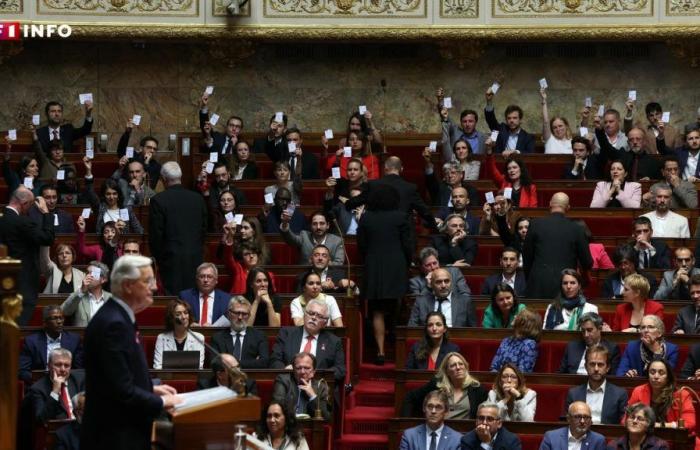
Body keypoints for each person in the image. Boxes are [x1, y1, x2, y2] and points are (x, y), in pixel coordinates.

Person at [81, 255, 182, 450]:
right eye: (147, 281)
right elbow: (121, 392)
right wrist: (161, 401)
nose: (154, 287)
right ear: (128, 285)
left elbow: (115, 379)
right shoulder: (113, 324)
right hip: (114, 438)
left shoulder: (119, 317)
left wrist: (148, 388)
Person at [358, 183, 413, 364]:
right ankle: (394, 334)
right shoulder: (401, 217)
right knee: (396, 301)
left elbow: (362, 246)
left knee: (377, 310)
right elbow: (408, 245)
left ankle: (380, 352)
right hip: (396, 264)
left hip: (374, 265)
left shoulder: (366, 218)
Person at [345, 156, 438, 251]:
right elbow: (425, 211)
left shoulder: (373, 185)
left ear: (385, 168)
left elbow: (352, 202)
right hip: (402, 238)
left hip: (377, 237)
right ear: (401, 169)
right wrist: (435, 226)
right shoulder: (410, 188)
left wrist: (347, 204)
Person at [149, 161, 208, 295]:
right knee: (194, 299)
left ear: (163, 179)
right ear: (180, 177)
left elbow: (156, 235)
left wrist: (159, 258)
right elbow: (204, 229)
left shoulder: (158, 200)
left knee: (174, 302)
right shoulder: (198, 199)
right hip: (195, 258)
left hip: (170, 261)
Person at [0, 186, 55, 325]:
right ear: (24, 204)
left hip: (3, 282)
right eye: (30, 205)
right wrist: (46, 212)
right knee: (16, 329)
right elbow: (47, 238)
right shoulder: (23, 223)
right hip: (22, 286)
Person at [523, 193, 592, 299]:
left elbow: (526, 256)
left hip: (538, 284)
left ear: (550, 204)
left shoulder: (535, 224)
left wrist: (532, 278)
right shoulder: (577, 229)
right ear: (568, 207)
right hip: (565, 286)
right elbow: (587, 262)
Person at [270, 299, 346, 383]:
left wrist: (315, 375)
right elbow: (274, 360)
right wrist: (285, 371)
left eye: (319, 316)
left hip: (318, 387)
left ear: (325, 323)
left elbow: (340, 369)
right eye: (311, 313)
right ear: (304, 315)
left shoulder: (334, 341)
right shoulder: (286, 334)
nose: (313, 318)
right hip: (289, 384)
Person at [401, 352, 487, 419]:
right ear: (447, 371)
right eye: (453, 365)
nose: (458, 367)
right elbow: (410, 397)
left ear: (466, 367)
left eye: (461, 364)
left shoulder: (477, 389)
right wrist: (407, 422)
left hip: (464, 434)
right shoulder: (436, 385)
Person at [626, 359, 696, 433]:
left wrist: (660, 425)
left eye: (661, 373)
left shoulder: (682, 394)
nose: (656, 376)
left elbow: (690, 423)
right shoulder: (639, 391)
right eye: (652, 372)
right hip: (644, 437)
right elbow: (626, 419)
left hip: (673, 438)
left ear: (668, 377)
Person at [18, 306, 83, 385]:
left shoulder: (74, 340)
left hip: (67, 384)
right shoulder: (31, 342)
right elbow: (23, 371)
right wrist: (41, 383)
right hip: (41, 385)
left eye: (61, 318)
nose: (59, 321)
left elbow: (79, 370)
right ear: (45, 322)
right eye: (54, 318)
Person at [564, 344, 628, 425]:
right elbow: (568, 422)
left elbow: (623, 425)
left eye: (600, 365)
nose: (596, 369)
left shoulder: (620, 394)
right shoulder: (573, 394)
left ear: (608, 368)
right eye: (592, 364)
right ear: (586, 367)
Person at [26, 348, 84, 424]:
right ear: (49, 366)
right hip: (59, 432)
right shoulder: (37, 389)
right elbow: (41, 419)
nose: (63, 369)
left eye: (67, 366)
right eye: (58, 365)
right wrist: (55, 391)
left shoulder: (79, 379)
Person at [211, 296, 270, 368]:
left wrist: (232, 363)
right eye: (236, 313)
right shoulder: (218, 338)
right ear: (229, 314)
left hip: (250, 377)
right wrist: (253, 362)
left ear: (249, 316)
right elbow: (214, 363)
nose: (240, 317)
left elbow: (264, 363)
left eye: (244, 314)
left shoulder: (259, 336)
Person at [271, 352, 332, 421]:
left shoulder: (320, 386)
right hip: (288, 425)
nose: (302, 372)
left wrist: (312, 396)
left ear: (313, 372)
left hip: (311, 427)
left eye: (307, 368)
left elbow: (326, 417)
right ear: (293, 370)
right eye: (298, 368)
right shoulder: (283, 381)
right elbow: (277, 406)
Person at [408, 268, 476, 328]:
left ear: (451, 282)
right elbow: (412, 329)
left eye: (446, 281)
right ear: (431, 285)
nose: (443, 285)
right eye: (438, 282)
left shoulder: (465, 302)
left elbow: (473, 332)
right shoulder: (421, 302)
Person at [153, 299, 205, 369]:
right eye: (178, 314)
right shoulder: (162, 338)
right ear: (171, 318)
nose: (183, 317)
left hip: (191, 378)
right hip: (167, 378)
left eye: (186, 313)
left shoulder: (199, 337)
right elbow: (157, 367)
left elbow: (199, 367)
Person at [281, 211, 345, 266]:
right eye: (315, 224)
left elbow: (339, 263)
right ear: (310, 226)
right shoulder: (304, 236)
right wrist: (284, 224)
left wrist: (320, 264)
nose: (318, 227)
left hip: (328, 276)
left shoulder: (337, 241)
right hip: (306, 276)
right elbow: (290, 239)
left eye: (322, 223)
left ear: (327, 225)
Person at [436, 87, 487, 155]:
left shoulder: (483, 138)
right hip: (457, 165)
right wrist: (440, 101)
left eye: (470, 121)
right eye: (464, 121)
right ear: (461, 123)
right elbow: (445, 116)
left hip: (477, 165)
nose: (467, 124)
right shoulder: (455, 132)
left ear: (475, 122)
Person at [60, 261, 112, 327]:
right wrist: (81, 291)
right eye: (87, 273)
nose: (88, 276)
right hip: (83, 336)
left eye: (93, 273)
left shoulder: (111, 298)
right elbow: (64, 311)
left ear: (103, 279)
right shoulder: (78, 296)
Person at [484, 88, 535, 154]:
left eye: (515, 118)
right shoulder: (500, 130)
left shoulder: (528, 137)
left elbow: (530, 153)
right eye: (509, 118)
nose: (511, 120)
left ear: (520, 120)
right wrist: (489, 102)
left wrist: (515, 152)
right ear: (506, 120)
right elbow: (490, 120)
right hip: (501, 163)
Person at [490, 309, 541, 373]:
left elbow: (523, 371)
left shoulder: (530, 344)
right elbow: (494, 366)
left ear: (525, 323)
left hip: (515, 381)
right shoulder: (506, 340)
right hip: (498, 379)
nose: (514, 316)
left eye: (518, 315)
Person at [539, 402, 606, 450]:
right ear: (568, 419)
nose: (582, 421)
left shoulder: (598, 440)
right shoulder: (551, 437)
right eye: (578, 417)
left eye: (586, 417)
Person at [115, 122, 162, 189]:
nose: (152, 151)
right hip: (125, 190)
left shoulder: (156, 166)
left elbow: (150, 186)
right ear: (141, 148)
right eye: (149, 147)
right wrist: (127, 133)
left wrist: (146, 164)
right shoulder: (132, 155)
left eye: (154, 149)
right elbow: (121, 150)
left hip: (142, 195)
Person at [540, 88, 572, 154]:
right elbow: (546, 122)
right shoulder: (549, 139)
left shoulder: (572, 142)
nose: (558, 129)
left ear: (566, 126)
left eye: (560, 126)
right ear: (552, 129)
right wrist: (544, 100)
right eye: (555, 127)